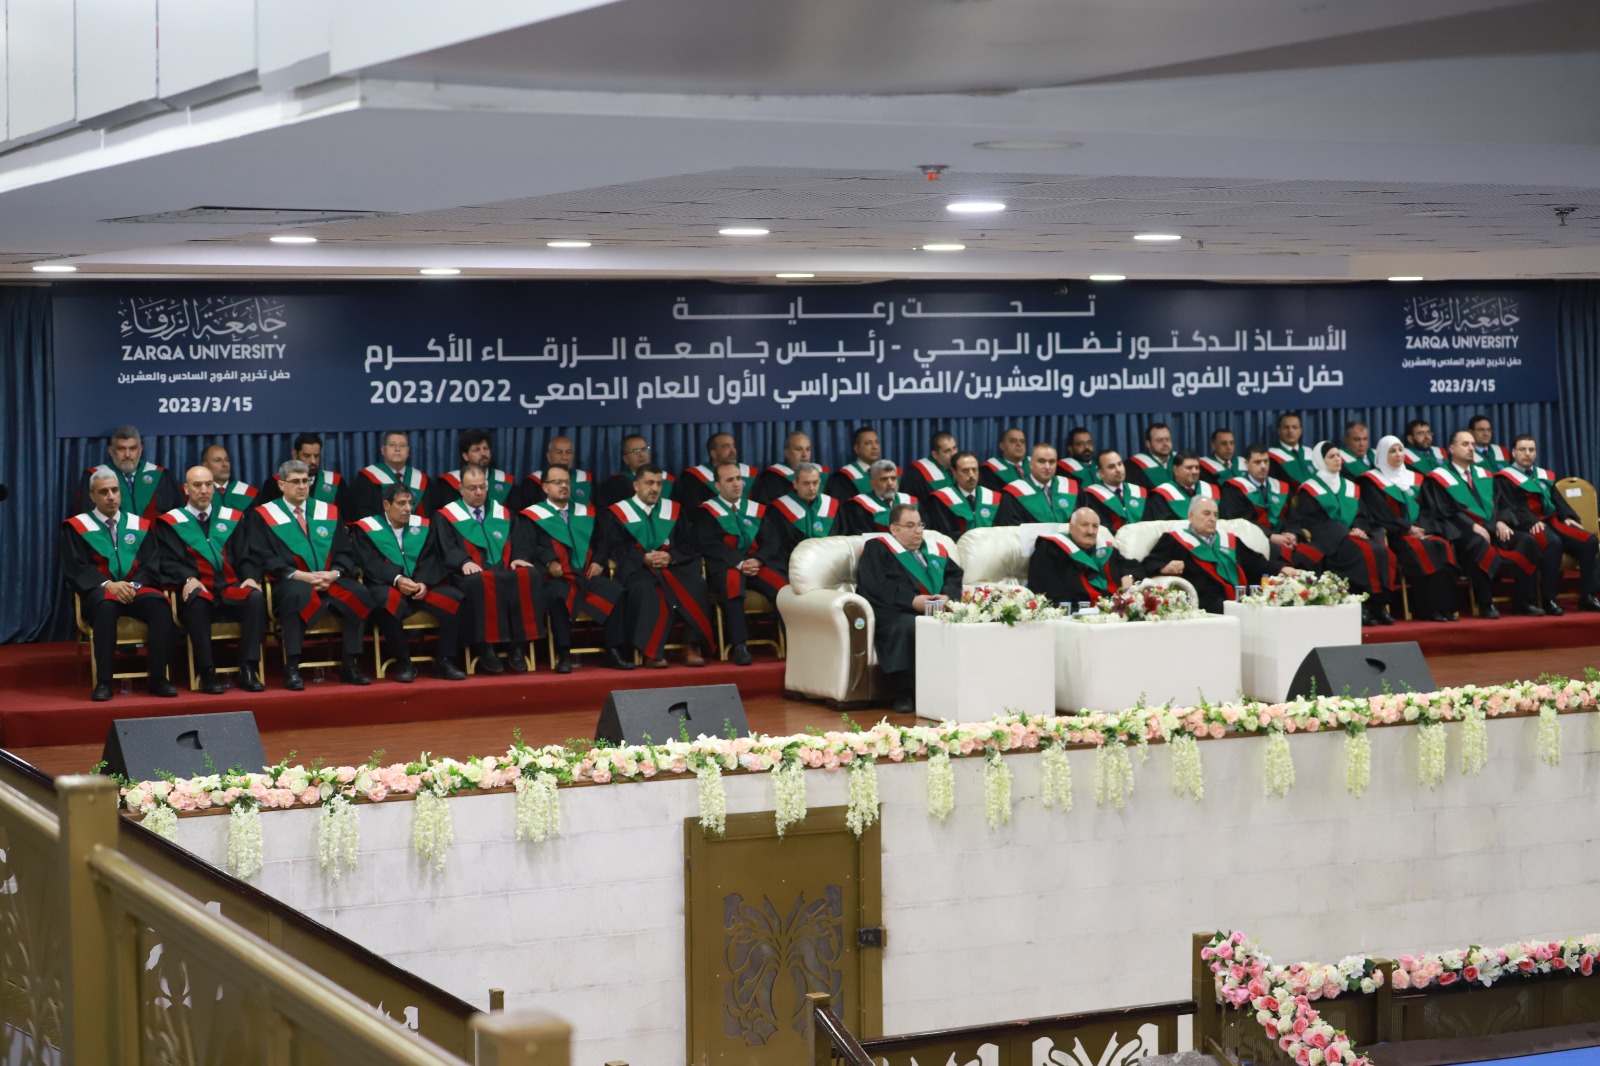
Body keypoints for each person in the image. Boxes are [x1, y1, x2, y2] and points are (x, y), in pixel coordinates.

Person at [242, 459, 374, 689]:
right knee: (297, 595)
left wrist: (334, 573)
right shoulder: (264, 515)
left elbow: (345, 551)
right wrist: (300, 576)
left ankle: (350, 664)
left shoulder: (327, 511)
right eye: (295, 482)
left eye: (305, 481)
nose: (302, 486)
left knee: (359, 593)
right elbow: (261, 555)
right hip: (290, 581)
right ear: (281, 484)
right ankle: (292, 667)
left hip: (329, 580)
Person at [62, 467, 177, 700]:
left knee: (160, 604)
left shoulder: (138, 525)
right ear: (92, 496)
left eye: (115, 490)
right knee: (106, 606)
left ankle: (158, 679)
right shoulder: (77, 527)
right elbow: (76, 567)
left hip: (135, 589)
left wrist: (133, 585)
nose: (111, 496)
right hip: (99, 592)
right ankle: (104, 682)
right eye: (104, 492)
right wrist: (107, 584)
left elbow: (151, 564)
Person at [154, 464, 268, 694]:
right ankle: (207, 672)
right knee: (197, 601)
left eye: (208, 485)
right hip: (199, 589)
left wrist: (249, 577)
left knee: (255, 597)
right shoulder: (171, 523)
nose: (204, 490)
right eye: (197, 485)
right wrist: (187, 578)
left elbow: (246, 555)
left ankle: (248, 668)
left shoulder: (231, 518)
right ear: (186, 489)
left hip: (229, 587)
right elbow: (166, 561)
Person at [511, 463, 634, 673]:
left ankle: (612, 651)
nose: (563, 486)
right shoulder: (532, 516)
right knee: (558, 596)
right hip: (556, 578)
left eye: (566, 482)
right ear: (545, 488)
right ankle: (564, 653)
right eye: (557, 482)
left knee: (616, 591)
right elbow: (529, 548)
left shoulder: (586, 513)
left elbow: (602, 542)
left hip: (586, 574)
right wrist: (549, 562)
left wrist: (598, 561)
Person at [601, 464, 717, 668]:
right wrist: (642, 558)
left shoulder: (673, 510)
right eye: (649, 483)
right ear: (636, 485)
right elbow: (615, 548)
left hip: (671, 567)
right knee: (646, 588)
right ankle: (652, 650)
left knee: (696, 583)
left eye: (658, 484)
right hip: (638, 568)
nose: (654, 488)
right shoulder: (619, 512)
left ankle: (691, 646)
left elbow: (688, 545)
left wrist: (670, 556)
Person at [431, 465, 544, 673]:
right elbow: (446, 547)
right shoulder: (447, 516)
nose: (478, 492)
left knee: (529, 574)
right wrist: (463, 561)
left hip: (503, 569)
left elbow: (520, 541)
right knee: (479, 581)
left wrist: (518, 558)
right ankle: (485, 647)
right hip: (469, 573)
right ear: (461, 489)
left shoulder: (503, 513)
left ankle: (517, 645)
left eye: (482, 487)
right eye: (472, 488)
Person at [352, 483, 468, 682]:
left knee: (455, 599)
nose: (407, 508)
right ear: (387, 505)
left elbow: (431, 558)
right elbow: (370, 563)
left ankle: (445, 660)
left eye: (410, 503)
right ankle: (404, 662)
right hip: (387, 585)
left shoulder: (422, 526)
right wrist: (397, 579)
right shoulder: (367, 528)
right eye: (401, 503)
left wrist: (424, 583)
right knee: (385, 601)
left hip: (420, 586)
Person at [855, 504, 963, 713]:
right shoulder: (877, 548)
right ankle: (905, 692)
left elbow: (954, 576)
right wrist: (912, 601)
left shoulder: (934, 550)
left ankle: (949, 688)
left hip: (934, 608)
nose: (918, 531)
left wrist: (947, 596)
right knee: (908, 626)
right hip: (893, 610)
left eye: (920, 525)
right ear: (894, 529)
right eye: (910, 526)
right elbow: (877, 586)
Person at [1421, 430, 1540, 618]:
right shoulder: (1439, 478)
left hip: (1493, 528)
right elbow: (1445, 511)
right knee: (1478, 543)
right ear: (1452, 449)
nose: (1471, 448)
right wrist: (1472, 526)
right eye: (1465, 444)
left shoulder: (1485, 474)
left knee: (1527, 540)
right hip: (1463, 533)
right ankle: (1486, 603)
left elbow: (1502, 503)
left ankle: (1523, 601)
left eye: (1472, 445)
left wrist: (1501, 521)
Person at [689, 461, 788, 666]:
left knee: (783, 588)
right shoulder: (706, 512)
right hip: (727, 566)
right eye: (729, 480)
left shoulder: (756, 509)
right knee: (732, 585)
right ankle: (740, 645)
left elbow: (772, 541)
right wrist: (739, 563)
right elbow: (709, 544)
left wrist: (758, 559)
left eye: (738, 479)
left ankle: (793, 640)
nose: (736, 484)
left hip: (757, 564)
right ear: (718, 485)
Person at [1292, 442, 1395, 625]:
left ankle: (1379, 606)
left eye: (1338, 455)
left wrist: (1358, 528)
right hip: (1331, 540)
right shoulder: (1310, 488)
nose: (1337, 459)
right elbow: (1313, 521)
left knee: (1381, 550)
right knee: (1360, 553)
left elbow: (1362, 514)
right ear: (1320, 460)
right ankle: (1360, 605)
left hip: (1354, 535)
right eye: (1331, 456)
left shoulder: (1350, 487)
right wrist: (1344, 532)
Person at [1495, 434, 1600, 613]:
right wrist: (1531, 521)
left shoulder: (1542, 475)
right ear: (1513, 453)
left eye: (1531, 450)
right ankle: (1548, 599)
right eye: (1522, 450)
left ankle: (1588, 596)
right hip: (1527, 524)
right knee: (1553, 543)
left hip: (1552, 520)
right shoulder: (1505, 478)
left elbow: (1557, 499)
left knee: (1589, 542)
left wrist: (1567, 516)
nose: (1527, 453)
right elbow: (1509, 505)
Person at [1360, 436, 1459, 622]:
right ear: (1382, 454)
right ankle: (1428, 609)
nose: (1398, 454)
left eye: (1400, 450)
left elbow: (1429, 509)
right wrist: (1408, 528)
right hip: (1396, 535)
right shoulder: (1372, 481)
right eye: (1392, 451)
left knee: (1442, 546)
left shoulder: (1415, 478)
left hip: (1421, 531)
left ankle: (1446, 608)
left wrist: (1423, 528)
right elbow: (1380, 514)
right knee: (1422, 549)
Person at [1138, 497, 1288, 614]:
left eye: (1215, 515)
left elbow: (1256, 563)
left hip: (1239, 599)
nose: (1212, 519)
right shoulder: (1174, 540)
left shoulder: (1229, 540)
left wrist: (1282, 568)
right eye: (1206, 513)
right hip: (1206, 604)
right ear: (1191, 516)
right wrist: (1164, 568)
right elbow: (1149, 563)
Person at [1029, 508, 1135, 607]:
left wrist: (1128, 576)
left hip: (1114, 609)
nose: (1090, 531)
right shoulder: (1051, 548)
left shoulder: (1105, 548)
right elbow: (1049, 589)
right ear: (1071, 527)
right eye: (1084, 525)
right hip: (1076, 611)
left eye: (1095, 526)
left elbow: (1130, 566)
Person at [77, 424, 180, 520]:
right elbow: (86, 518)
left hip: (154, 534)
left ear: (140, 450)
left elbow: (176, 517)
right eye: (121, 449)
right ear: (111, 451)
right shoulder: (94, 477)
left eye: (132, 449)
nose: (127, 455)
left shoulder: (161, 476)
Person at [755, 463, 839, 579]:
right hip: (794, 568)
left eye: (815, 483)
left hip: (829, 565)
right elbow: (776, 546)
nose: (812, 488)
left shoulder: (831, 506)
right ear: (795, 484)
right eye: (806, 483)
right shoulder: (779, 510)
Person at [1218, 445, 1298, 565]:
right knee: (1282, 555)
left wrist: (1291, 534)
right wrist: (1270, 536)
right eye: (1257, 462)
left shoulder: (1280, 487)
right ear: (1246, 464)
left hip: (1283, 539)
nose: (1263, 466)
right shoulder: (1234, 488)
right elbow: (1238, 523)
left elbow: (1293, 517)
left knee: (1310, 554)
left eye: (1266, 461)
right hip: (1251, 543)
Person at [425, 429, 517, 514]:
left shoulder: (505, 482)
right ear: (465, 456)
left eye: (486, 448)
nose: (483, 453)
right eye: (477, 450)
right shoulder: (446, 485)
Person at [350, 429, 430, 519]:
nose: (397, 449)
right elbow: (363, 513)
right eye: (392, 445)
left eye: (402, 445)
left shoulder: (422, 480)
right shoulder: (366, 478)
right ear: (383, 450)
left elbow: (429, 514)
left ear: (408, 451)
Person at [922, 452, 1001, 537]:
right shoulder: (941, 500)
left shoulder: (993, 497)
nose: (971, 475)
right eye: (965, 471)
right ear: (954, 473)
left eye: (974, 470)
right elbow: (945, 532)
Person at [996, 444, 1079, 526]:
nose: (1047, 467)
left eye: (1052, 462)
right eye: (1041, 461)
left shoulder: (1069, 487)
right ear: (1031, 464)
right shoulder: (1014, 493)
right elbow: (1010, 529)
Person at [257, 433, 343, 510]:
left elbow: (346, 519)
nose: (313, 461)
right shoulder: (275, 483)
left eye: (316, 456)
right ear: (295, 454)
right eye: (307, 456)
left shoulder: (334, 481)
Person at [678, 432, 757, 509]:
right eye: (726, 446)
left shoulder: (749, 474)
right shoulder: (693, 478)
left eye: (733, 446)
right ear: (713, 453)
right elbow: (694, 510)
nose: (733, 451)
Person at [597, 435, 676, 508]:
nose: (641, 454)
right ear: (625, 459)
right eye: (635, 451)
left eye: (644, 449)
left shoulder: (668, 481)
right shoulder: (615, 484)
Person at [517, 435, 595, 509]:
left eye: (568, 452)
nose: (564, 457)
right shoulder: (533, 483)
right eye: (559, 452)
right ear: (549, 456)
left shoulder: (586, 480)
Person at [840, 460, 916, 535]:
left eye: (893, 478)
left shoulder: (909, 502)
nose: (890, 483)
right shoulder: (858, 507)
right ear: (872, 483)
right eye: (884, 479)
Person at [1081, 451, 1148, 534]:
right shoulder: (1091, 496)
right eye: (1111, 467)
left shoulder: (1139, 492)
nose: (1118, 470)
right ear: (1101, 473)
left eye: (1120, 464)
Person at [755, 432, 828, 504]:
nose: (804, 454)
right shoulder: (770, 478)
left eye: (808, 449)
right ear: (786, 452)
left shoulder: (821, 475)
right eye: (798, 449)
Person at [1146, 452, 1219, 522]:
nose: (1194, 471)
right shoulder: (1161, 495)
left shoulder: (1210, 490)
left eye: (1197, 468)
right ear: (1176, 470)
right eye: (1189, 468)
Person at [825, 427, 888, 501]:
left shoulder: (889, 473)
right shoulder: (843, 478)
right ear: (856, 449)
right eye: (868, 443)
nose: (875, 447)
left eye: (877, 442)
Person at [900, 431, 958, 501]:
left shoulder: (962, 467)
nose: (953, 454)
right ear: (935, 454)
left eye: (954, 448)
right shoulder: (916, 472)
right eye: (947, 451)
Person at [201, 444, 259, 513]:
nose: (225, 464)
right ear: (205, 465)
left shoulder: (248, 493)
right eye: (218, 460)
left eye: (226, 460)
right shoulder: (197, 493)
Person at [1269, 413, 1317, 488]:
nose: (1290, 431)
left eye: (1294, 427)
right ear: (1279, 431)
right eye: (1286, 427)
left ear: (1300, 431)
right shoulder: (1271, 456)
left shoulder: (1312, 453)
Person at [1126, 424, 1177, 490]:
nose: (1165, 444)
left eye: (1167, 439)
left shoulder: (1181, 460)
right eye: (1159, 440)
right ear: (1148, 444)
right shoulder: (1133, 466)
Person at [979, 427, 1028, 492]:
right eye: (1013, 441)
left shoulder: (1034, 465)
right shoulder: (989, 470)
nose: (1019, 444)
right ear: (1002, 446)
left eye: (1022, 441)